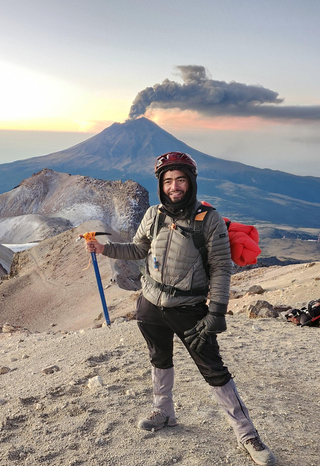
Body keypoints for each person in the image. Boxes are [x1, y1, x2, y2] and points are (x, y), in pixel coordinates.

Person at [84, 151, 276, 466]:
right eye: (168, 180)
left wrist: (216, 313)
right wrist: (104, 248)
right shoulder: (154, 215)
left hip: (189, 308)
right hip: (150, 304)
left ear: (191, 182)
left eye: (181, 179)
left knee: (214, 371)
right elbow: (137, 249)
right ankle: (164, 412)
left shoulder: (208, 219)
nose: (175, 186)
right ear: (161, 184)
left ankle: (247, 435)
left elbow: (221, 269)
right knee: (159, 359)